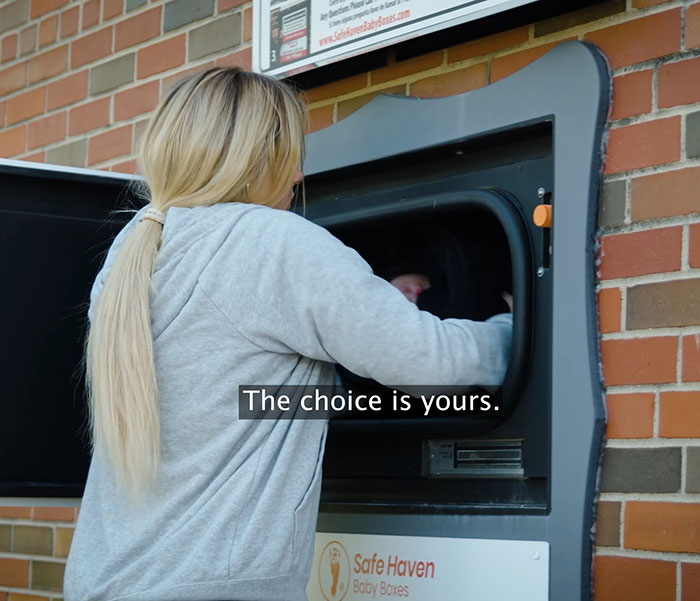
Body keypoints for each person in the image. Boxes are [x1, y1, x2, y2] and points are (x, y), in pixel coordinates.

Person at [64, 67, 512, 601]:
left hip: (100, 578)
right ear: (254, 159)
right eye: (287, 153)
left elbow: (237, 403)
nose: (298, 175)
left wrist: (350, 374)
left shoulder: (132, 251)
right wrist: (513, 325)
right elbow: (432, 365)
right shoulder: (272, 241)